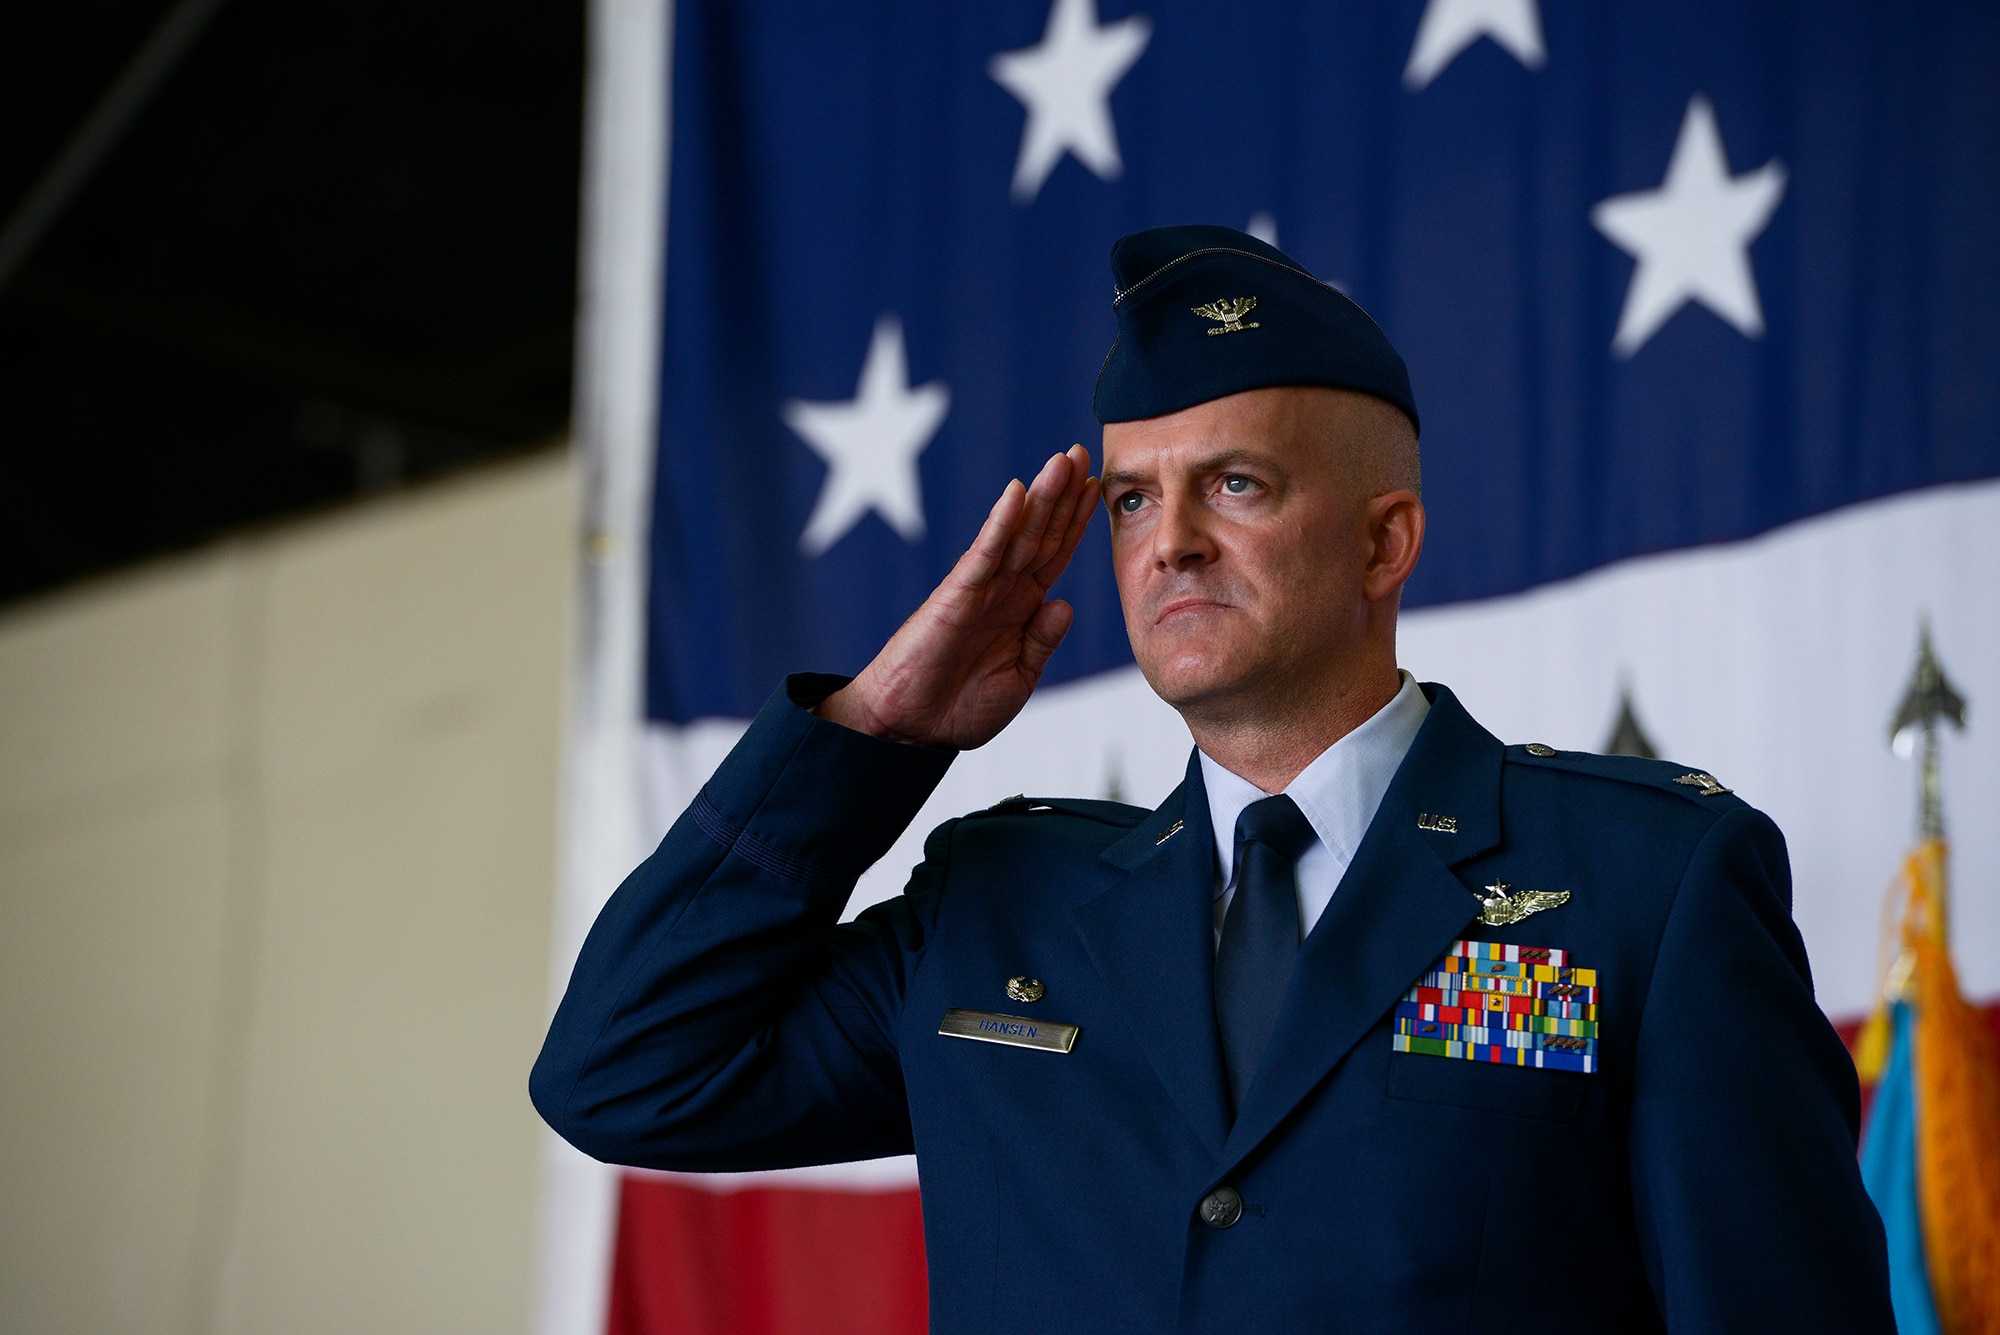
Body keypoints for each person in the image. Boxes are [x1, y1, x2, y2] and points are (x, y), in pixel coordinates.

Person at [532, 225, 1892, 1332]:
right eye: (1132, 499)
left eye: (1234, 486)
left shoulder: (1641, 886)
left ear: (1383, 543)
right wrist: (873, 732)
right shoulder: (996, 911)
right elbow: (626, 1073)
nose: (1168, 544)